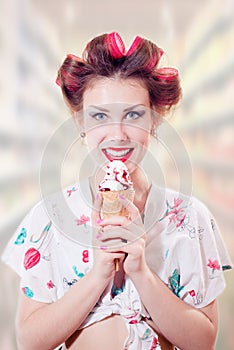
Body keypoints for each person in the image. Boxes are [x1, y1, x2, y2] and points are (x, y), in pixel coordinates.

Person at [2, 32, 233, 350]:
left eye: (134, 115)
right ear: (80, 122)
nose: (118, 134)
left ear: (154, 119)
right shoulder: (50, 217)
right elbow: (28, 341)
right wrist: (99, 272)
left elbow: (203, 342)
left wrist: (141, 272)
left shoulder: (190, 217)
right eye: (99, 116)